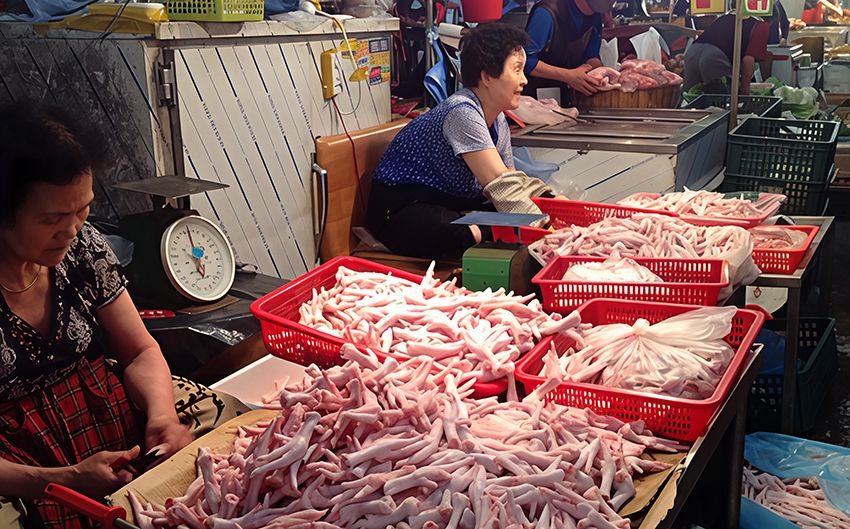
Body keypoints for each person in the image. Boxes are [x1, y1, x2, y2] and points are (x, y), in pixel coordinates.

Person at [0, 101, 242, 529]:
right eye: (53, 218)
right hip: (16, 460)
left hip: (96, 406)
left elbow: (139, 351)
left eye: (82, 210)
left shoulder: (83, 247)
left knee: (226, 419)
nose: (72, 230)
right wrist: (62, 480)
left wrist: (162, 416)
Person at [367, 22, 559, 262]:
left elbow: (510, 178)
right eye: (517, 70)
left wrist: (550, 200)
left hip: (448, 202)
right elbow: (500, 185)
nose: (524, 80)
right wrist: (549, 231)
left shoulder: (498, 118)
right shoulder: (462, 112)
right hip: (401, 208)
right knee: (467, 234)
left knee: (511, 217)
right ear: (487, 76)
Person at [522, 0, 617, 104]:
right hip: (536, 98)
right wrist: (567, 75)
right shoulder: (546, 13)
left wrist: (599, 74)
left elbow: (591, 55)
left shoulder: (595, 15)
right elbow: (524, 60)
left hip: (570, 97)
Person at [683, 13, 769, 95]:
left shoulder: (727, 17)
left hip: (692, 52)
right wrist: (745, 91)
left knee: (692, 97)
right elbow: (748, 59)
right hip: (714, 57)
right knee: (722, 100)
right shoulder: (762, 26)